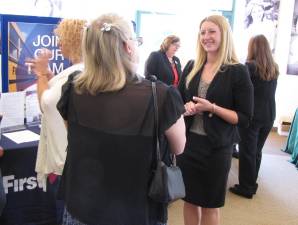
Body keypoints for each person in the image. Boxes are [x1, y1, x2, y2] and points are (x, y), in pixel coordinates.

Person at [56, 13, 186, 225]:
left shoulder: (73, 89)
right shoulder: (161, 96)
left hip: (81, 206)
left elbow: (74, 134)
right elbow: (179, 147)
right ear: (128, 47)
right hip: (136, 210)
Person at [177, 15, 253, 225]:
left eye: (212, 32)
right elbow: (177, 102)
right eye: (203, 32)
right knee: (190, 201)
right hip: (188, 145)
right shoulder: (192, 66)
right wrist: (185, 108)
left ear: (224, 35)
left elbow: (244, 118)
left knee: (210, 204)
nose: (206, 37)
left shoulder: (237, 71)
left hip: (217, 148)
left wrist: (213, 108)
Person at [27, 18, 86, 224]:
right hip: (79, 163)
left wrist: (41, 73)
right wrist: (49, 75)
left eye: (61, 39)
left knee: (68, 215)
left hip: (66, 164)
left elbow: (46, 102)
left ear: (73, 40)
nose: (59, 44)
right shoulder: (86, 71)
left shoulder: (77, 73)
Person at [230, 34, 279, 199]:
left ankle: (246, 187)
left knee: (247, 152)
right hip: (269, 114)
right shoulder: (274, 67)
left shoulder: (249, 66)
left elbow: (241, 91)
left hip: (252, 115)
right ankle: (252, 183)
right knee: (256, 151)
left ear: (252, 48)